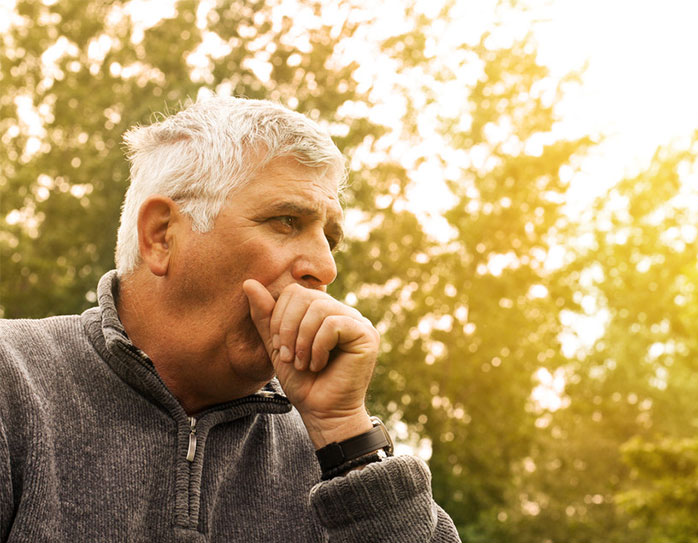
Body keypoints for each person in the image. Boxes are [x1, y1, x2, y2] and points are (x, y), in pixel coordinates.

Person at [0, 97, 461, 542]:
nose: (325, 267)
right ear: (162, 236)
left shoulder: (328, 447)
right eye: (285, 221)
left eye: (330, 238)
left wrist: (347, 439)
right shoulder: (12, 383)